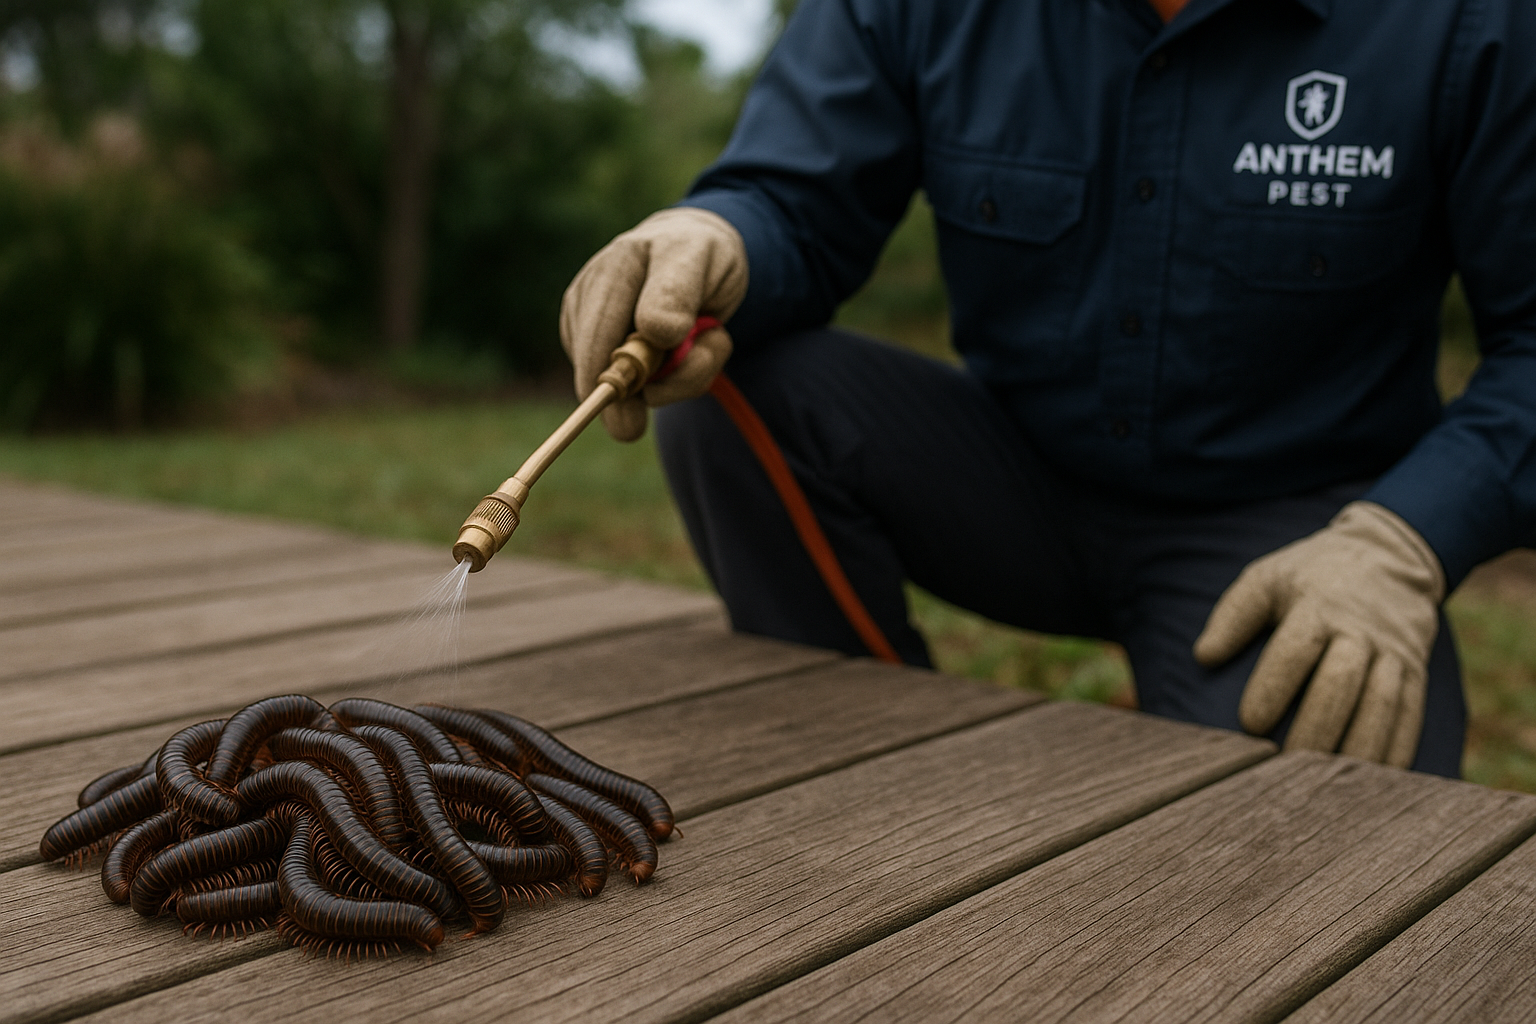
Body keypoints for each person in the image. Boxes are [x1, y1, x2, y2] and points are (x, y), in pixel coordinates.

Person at [557, 0, 1536, 777]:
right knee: (737, 381)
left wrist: (1404, 543)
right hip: (1016, 481)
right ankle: (862, 762)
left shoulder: (1470, 19)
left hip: (1298, 537)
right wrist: (713, 237)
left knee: (1338, 846)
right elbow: (792, 202)